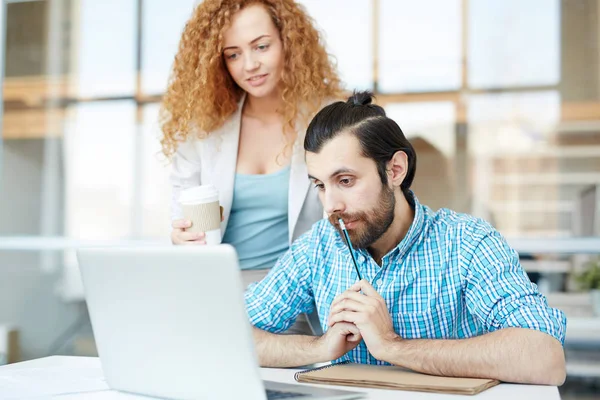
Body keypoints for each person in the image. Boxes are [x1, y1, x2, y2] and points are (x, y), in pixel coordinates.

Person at [245, 91, 567, 385]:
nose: (331, 206)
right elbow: (231, 332)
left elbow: (544, 356)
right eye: (320, 185)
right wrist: (320, 347)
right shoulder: (318, 246)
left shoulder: (468, 243)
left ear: (395, 170)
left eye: (345, 180)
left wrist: (392, 346)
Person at [160, 0, 341, 292]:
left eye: (261, 47)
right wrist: (180, 237)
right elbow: (181, 217)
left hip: (303, 295)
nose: (249, 65)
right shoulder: (203, 129)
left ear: (288, 42)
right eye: (233, 55)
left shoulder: (331, 119)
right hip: (221, 291)